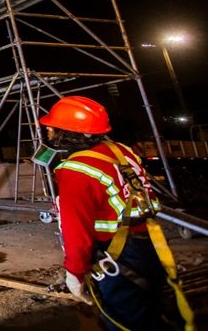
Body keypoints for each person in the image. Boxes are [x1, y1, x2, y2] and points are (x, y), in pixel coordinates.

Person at [39, 96, 194, 331]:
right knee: (151, 315)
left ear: (69, 131)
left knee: (126, 322)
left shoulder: (75, 170)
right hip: (150, 246)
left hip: (117, 258)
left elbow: (76, 233)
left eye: (53, 125)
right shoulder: (120, 151)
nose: (48, 128)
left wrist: (75, 274)